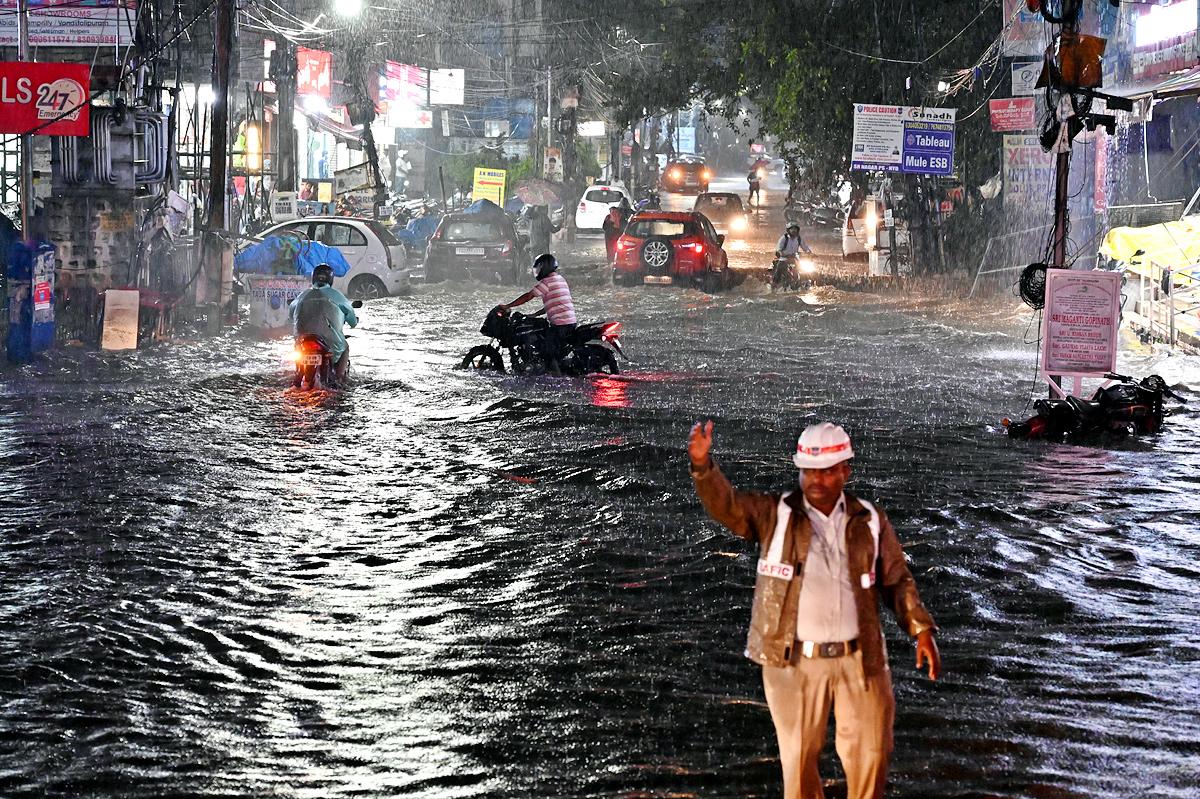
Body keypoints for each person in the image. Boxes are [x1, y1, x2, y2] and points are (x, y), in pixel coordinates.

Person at [688, 420, 940, 799]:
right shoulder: (773, 514)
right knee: (799, 761)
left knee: (873, 754)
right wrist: (703, 466)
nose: (816, 480)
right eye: (809, 472)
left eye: (825, 471)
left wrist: (920, 630)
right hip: (792, 663)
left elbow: (896, 579)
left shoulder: (870, 520)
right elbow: (726, 505)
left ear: (845, 471)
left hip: (861, 659)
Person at [500, 253, 576, 375]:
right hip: (568, 323)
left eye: (538, 268)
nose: (537, 271)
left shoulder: (547, 282)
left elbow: (528, 296)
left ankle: (557, 377)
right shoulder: (560, 279)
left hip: (561, 324)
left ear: (543, 267)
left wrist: (508, 306)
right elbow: (555, 303)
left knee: (546, 350)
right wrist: (535, 314)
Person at [289, 263, 358, 383]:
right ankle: (340, 377)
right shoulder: (337, 296)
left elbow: (291, 316)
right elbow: (352, 322)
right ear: (331, 279)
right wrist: (353, 321)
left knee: (297, 351)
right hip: (329, 341)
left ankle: (299, 373)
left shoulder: (301, 297)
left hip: (302, 340)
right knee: (345, 347)